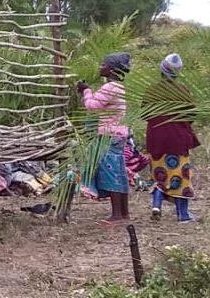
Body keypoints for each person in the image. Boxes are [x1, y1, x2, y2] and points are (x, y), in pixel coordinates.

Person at [142, 53, 200, 223]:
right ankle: (183, 215)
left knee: (159, 175)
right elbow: (191, 115)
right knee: (180, 176)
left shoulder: (152, 91)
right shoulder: (183, 91)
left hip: (156, 140)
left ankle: (156, 205)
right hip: (178, 141)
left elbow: (145, 114)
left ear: (161, 70)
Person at [76, 52, 132, 225]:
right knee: (119, 172)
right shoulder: (119, 87)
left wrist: (85, 91)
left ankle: (116, 215)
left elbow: (92, 106)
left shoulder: (110, 88)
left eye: (103, 65)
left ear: (111, 69)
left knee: (111, 172)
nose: (101, 67)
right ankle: (123, 212)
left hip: (108, 135)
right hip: (119, 134)